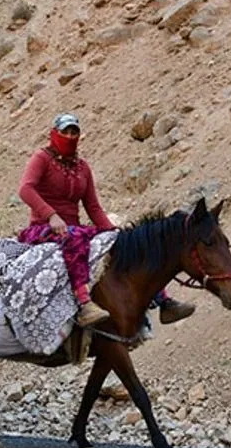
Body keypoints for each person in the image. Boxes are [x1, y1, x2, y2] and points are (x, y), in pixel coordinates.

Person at [17, 113, 196, 327]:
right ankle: (84, 304)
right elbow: (25, 189)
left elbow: (92, 207)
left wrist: (113, 232)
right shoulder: (42, 158)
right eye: (66, 131)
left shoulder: (82, 167)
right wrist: (51, 215)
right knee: (74, 240)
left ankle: (163, 301)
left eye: (75, 131)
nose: (70, 136)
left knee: (128, 245)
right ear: (55, 133)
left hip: (74, 228)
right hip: (44, 228)